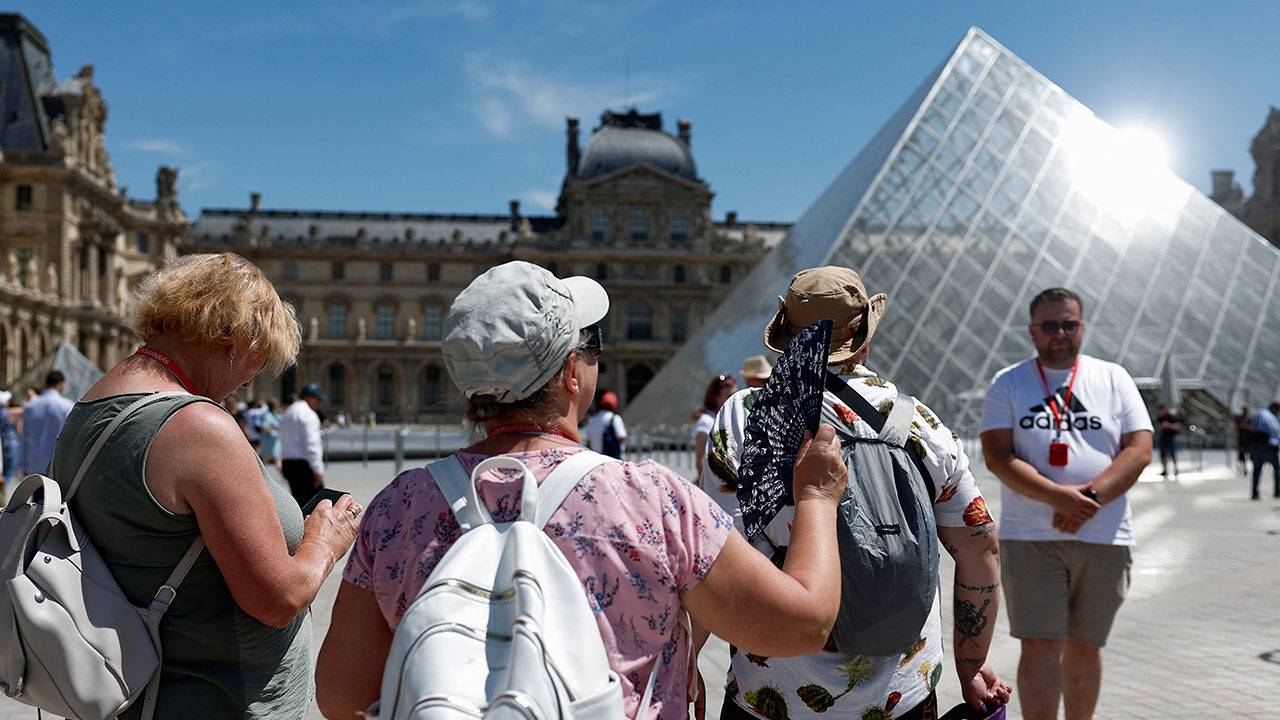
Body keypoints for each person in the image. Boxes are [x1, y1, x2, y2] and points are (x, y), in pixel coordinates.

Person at [315, 260, 850, 719]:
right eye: (591, 349)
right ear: (573, 372)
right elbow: (804, 624)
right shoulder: (649, 498)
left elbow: (343, 696)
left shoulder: (397, 507)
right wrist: (817, 500)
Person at [46, 252, 361, 718]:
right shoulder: (197, 426)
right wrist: (324, 541)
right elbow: (277, 600)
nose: (252, 378)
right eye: (260, 358)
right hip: (213, 698)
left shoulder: (92, 405)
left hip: (136, 694)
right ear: (234, 338)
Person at [705, 266, 1009, 720]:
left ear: (786, 339)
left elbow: (711, 554)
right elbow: (980, 547)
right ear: (864, 339)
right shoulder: (922, 424)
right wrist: (972, 664)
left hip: (773, 695)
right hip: (900, 696)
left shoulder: (745, 414)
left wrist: (684, 659)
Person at [980, 287, 1153, 720]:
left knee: (1086, 645)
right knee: (1039, 645)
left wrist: (1089, 499)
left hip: (1104, 534)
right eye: (1050, 324)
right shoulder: (1008, 381)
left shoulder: (1114, 377)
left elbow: (1139, 449)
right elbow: (997, 455)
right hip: (1031, 535)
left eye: (1069, 323)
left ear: (1082, 326)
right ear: (1032, 330)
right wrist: (1059, 497)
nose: (1061, 332)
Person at [19, 369, 76, 476]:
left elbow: (24, 437)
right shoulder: (67, 406)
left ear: (46, 383)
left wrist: (23, 464)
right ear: (61, 384)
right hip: (57, 467)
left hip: (35, 465)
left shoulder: (30, 406)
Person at [281, 383, 327, 508]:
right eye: (318, 400)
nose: (319, 404)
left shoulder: (289, 411)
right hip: (304, 466)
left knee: (299, 503)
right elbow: (312, 445)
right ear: (310, 398)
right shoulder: (308, 414)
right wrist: (318, 470)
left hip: (289, 463)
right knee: (315, 506)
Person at [692, 373, 737, 487]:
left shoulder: (731, 418)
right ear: (716, 397)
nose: (733, 400)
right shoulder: (706, 421)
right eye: (729, 396)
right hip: (716, 488)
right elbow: (700, 463)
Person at [1249, 402, 1280, 500]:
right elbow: (1274, 432)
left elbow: (1252, 429)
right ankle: (1277, 491)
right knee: (1277, 468)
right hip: (1268, 446)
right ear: (1274, 409)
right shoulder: (1270, 417)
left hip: (1257, 447)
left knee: (1257, 470)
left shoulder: (1258, 414)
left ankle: (1254, 492)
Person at [585, 390, 627, 458]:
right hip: (611, 459)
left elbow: (589, 442)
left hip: (596, 458)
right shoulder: (615, 418)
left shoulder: (593, 419)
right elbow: (621, 436)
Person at [1156, 404, 1182, 477]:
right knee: (1163, 454)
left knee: (1173, 453)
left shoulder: (1172, 417)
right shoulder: (1160, 418)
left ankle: (1175, 469)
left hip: (1171, 437)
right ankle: (1165, 470)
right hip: (1162, 437)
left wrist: (1169, 425)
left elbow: (1178, 426)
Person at [258, 398, 283, 470]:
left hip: (275, 441)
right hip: (268, 441)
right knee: (269, 459)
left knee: (276, 459)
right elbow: (263, 428)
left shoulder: (276, 415)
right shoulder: (267, 416)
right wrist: (275, 428)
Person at [1236, 404, 1254, 476]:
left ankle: (1252, 469)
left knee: (1251, 455)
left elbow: (1252, 427)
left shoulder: (1250, 418)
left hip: (1249, 439)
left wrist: (1245, 426)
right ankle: (1243, 469)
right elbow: (1237, 427)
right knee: (1242, 456)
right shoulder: (1240, 418)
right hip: (1242, 439)